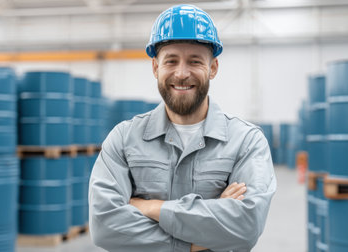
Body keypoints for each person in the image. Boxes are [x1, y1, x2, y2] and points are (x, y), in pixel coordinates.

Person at [89, 4, 276, 252]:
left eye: (195, 61)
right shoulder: (124, 139)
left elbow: (246, 225)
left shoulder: (246, 141)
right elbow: (105, 226)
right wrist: (199, 237)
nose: (182, 73)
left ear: (213, 68)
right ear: (156, 67)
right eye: (171, 61)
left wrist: (152, 208)